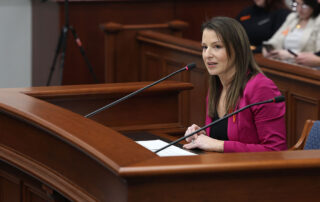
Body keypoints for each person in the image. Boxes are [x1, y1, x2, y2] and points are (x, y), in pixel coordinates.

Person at [183, 17, 287, 153]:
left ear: (238, 49)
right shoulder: (217, 87)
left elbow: (275, 150)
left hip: (253, 173)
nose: (207, 54)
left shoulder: (261, 88)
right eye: (204, 47)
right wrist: (201, 136)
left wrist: (218, 145)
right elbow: (221, 138)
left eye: (217, 47)